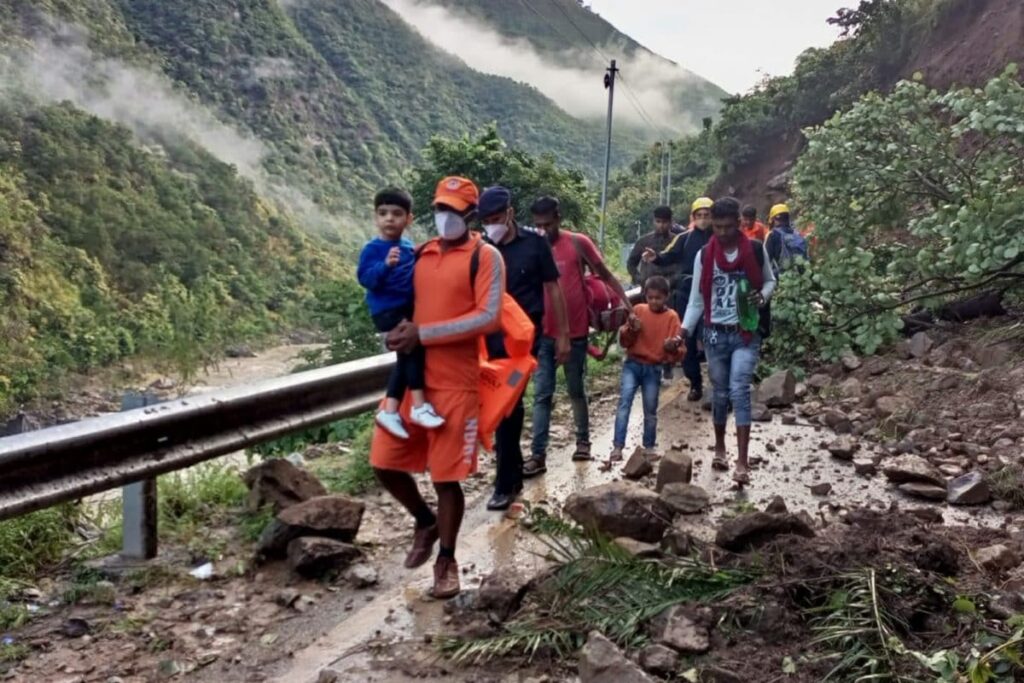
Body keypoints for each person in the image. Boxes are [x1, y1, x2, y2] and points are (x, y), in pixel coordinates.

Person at [370, 176, 505, 599]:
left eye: (453, 210)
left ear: (471, 214)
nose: (444, 217)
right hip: (414, 381)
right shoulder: (422, 253)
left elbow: (488, 318)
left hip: (457, 385)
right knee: (384, 462)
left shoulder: (486, 257)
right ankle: (424, 521)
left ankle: (446, 560)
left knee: (447, 478)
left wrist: (423, 334)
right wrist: (393, 332)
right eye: (439, 208)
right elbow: (397, 300)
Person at [525, 196, 634, 477]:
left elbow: (605, 273)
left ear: (558, 218)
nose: (543, 230)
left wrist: (627, 303)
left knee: (575, 390)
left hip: (575, 333)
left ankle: (582, 441)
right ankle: (538, 455)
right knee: (542, 395)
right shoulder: (532, 247)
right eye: (538, 225)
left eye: (547, 224)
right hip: (543, 334)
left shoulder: (577, 242)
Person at [477, 186, 570, 511]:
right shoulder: (482, 248)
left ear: (510, 213)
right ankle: (512, 475)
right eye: (486, 220)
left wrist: (562, 335)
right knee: (504, 408)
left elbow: (553, 288)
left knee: (507, 405)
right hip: (488, 338)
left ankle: (504, 485)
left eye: (496, 218)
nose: (492, 225)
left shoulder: (534, 243)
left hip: (522, 340)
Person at [680, 197, 776, 488]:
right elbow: (697, 300)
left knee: (739, 389)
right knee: (719, 393)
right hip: (714, 333)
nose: (721, 233)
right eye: (717, 227)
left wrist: (762, 297)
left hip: (746, 331)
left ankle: (743, 462)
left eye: (727, 227)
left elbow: (771, 280)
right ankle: (720, 447)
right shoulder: (703, 256)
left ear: (738, 223)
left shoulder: (756, 250)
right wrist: (683, 332)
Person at [358, 188, 446, 440]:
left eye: (396, 214)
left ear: (408, 219)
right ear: (375, 217)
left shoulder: (408, 247)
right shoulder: (373, 249)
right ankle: (419, 406)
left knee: (405, 358)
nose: (389, 219)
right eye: (383, 213)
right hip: (387, 310)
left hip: (407, 309)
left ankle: (391, 409)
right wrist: (385, 266)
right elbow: (366, 279)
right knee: (412, 350)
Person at [642, 196, 715, 402]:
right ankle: (695, 384)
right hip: (687, 293)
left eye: (706, 215)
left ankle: (718, 384)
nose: (703, 219)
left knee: (711, 339)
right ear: (693, 217)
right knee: (687, 339)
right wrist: (655, 257)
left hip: (713, 295)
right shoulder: (685, 238)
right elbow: (668, 255)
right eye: (699, 215)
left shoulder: (720, 238)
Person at [609, 276, 684, 462]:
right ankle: (618, 446)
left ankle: (649, 446)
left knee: (650, 409)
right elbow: (624, 341)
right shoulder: (638, 310)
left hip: (653, 367)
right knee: (624, 402)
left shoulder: (672, 317)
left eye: (657, 298)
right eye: (650, 297)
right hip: (632, 364)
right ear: (645, 296)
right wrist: (632, 329)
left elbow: (680, 350)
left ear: (666, 297)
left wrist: (671, 347)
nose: (653, 301)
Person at [626, 206, 681, 287]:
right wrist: (639, 279)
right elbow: (631, 263)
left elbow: (683, 266)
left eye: (664, 222)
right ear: (653, 221)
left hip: (671, 289)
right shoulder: (643, 241)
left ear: (670, 222)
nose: (661, 225)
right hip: (647, 289)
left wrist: (673, 281)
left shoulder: (678, 241)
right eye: (658, 221)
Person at [765, 203, 810, 274]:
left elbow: (766, 259)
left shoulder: (772, 235)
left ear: (773, 219)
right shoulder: (797, 234)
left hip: (781, 276)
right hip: (800, 274)